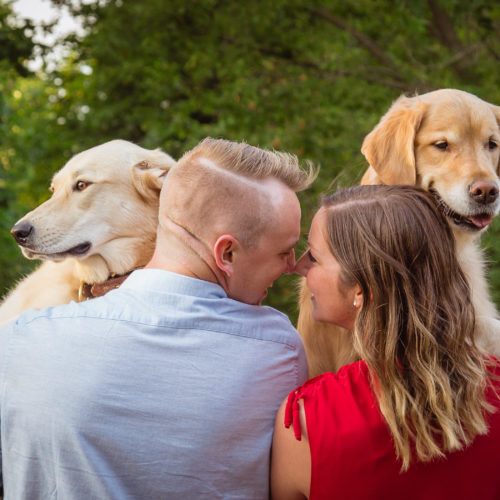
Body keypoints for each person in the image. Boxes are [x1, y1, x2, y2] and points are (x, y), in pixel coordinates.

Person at [0, 138, 317, 499]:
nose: (295, 265)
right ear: (225, 252)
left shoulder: (21, 340)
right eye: (284, 251)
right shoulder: (279, 349)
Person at [270, 185, 500, 500]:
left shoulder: (307, 421)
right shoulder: (495, 387)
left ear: (362, 289)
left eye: (315, 257)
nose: (300, 266)